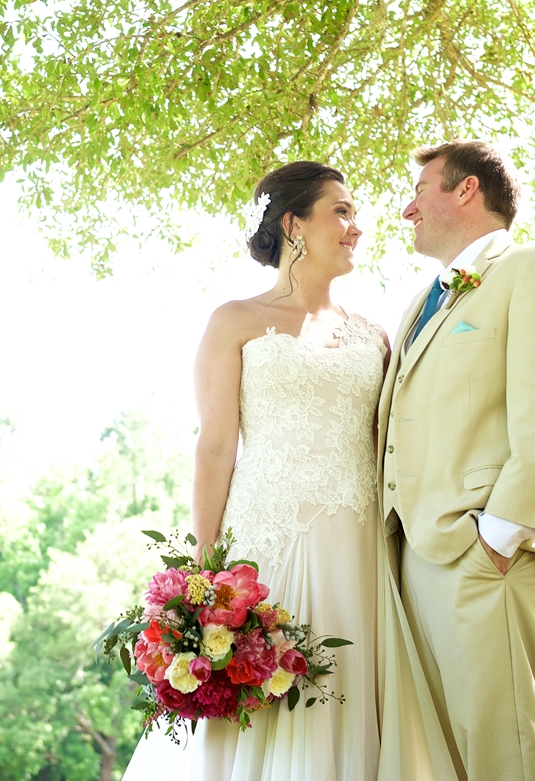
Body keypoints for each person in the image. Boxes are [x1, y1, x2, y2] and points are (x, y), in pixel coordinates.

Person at [123, 160, 387, 781]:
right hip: (262, 547)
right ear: (294, 224)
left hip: (359, 546)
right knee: (256, 705)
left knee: (346, 695)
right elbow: (216, 448)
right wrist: (205, 572)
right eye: (341, 212)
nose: (356, 226)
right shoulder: (235, 320)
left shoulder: (375, 337)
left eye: (356, 214)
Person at [375, 140, 535, 780]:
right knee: (448, 759)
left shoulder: (532, 270)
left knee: (506, 754)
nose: (407, 210)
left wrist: (498, 535)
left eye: (421, 191)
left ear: (466, 190)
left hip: (484, 554)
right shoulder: (421, 301)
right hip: (414, 552)